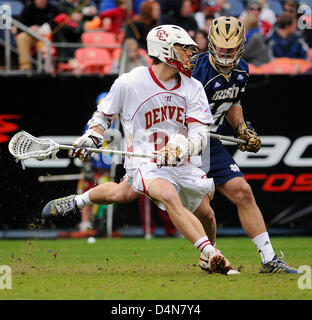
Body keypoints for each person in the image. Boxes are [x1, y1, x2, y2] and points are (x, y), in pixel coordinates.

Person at [42, 24, 239, 275]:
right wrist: (92, 136)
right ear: (165, 50)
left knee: (202, 214)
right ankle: (211, 253)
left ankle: (78, 200)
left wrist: (182, 147)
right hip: (146, 160)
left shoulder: (193, 88)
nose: (192, 55)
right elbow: (103, 116)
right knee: (167, 195)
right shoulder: (130, 82)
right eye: (185, 49)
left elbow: (200, 134)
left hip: (181, 160)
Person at [191, 16, 302, 274]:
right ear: (210, 44)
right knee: (204, 204)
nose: (225, 54)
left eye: (230, 49)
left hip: (212, 141)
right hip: (185, 143)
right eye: (220, 48)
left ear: (241, 46)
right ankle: (210, 254)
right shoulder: (193, 69)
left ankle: (269, 259)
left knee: (243, 191)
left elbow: (232, 103)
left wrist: (241, 128)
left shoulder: (242, 69)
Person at [15, 0, 60, 70]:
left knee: (48, 42)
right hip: (32, 36)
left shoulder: (53, 9)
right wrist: (30, 29)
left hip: (48, 36)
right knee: (22, 37)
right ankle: (26, 68)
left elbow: (58, 24)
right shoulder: (28, 9)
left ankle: (50, 69)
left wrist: (43, 29)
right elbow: (19, 28)